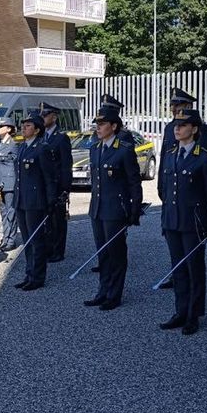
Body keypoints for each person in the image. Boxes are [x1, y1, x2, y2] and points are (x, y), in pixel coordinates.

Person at [157, 109, 207, 335]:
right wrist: (165, 218)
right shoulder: (170, 154)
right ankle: (180, 311)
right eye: (176, 125)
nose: (177, 128)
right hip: (172, 221)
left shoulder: (204, 157)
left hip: (193, 221)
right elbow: (165, 189)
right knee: (178, 269)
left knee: (194, 269)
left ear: (194, 129)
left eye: (183, 125)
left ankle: (194, 314)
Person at [84, 106, 143, 311]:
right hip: (97, 209)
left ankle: (114, 294)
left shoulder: (124, 150)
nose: (98, 128)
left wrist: (134, 209)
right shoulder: (95, 148)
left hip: (115, 209)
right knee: (102, 253)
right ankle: (103, 290)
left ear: (114, 126)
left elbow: (134, 182)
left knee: (116, 253)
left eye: (102, 124)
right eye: (97, 124)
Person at [13, 111, 58, 291]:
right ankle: (29, 273)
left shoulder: (42, 148)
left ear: (37, 130)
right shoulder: (22, 147)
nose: (24, 128)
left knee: (36, 240)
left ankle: (37, 276)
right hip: (21, 200)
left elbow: (49, 177)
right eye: (23, 125)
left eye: (28, 125)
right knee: (27, 240)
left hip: (35, 201)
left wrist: (51, 200)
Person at [40, 102, 73, 263]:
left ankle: (58, 251)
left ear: (53, 117)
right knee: (46, 219)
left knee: (57, 220)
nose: (42, 118)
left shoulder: (61, 138)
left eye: (45, 115)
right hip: (44, 185)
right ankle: (48, 248)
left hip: (57, 184)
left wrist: (66, 188)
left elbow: (66, 165)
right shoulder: (41, 137)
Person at [0, 116, 20, 252]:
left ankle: (11, 240)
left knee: (11, 212)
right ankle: (5, 238)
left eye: (1, 127)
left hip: (9, 182)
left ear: (9, 129)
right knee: (3, 212)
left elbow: (15, 165)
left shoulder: (13, 145)